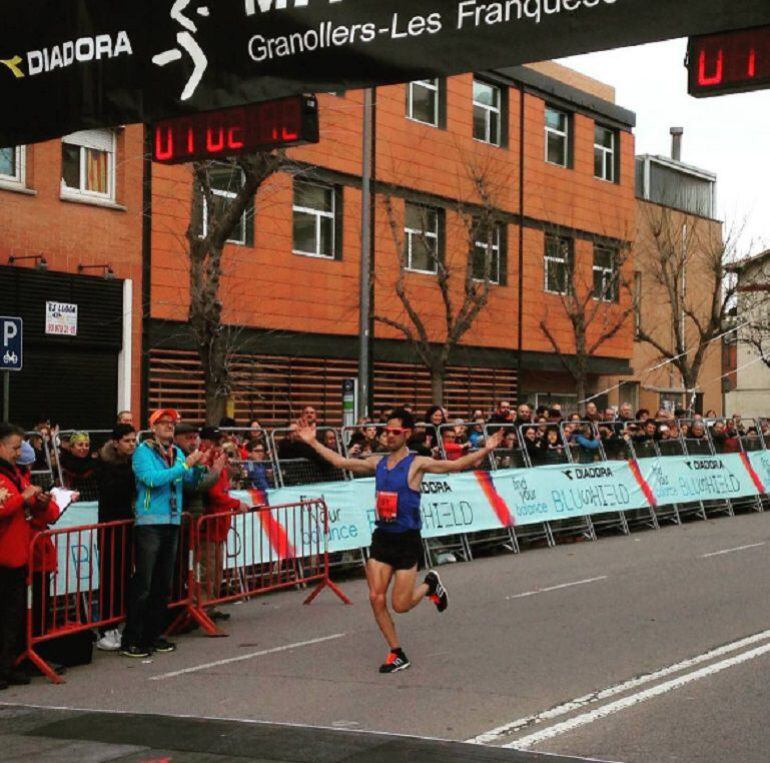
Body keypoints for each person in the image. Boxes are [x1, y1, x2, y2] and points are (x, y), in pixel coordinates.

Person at [298, 408, 503, 674]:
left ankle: (430, 585)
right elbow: (340, 463)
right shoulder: (377, 463)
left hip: (406, 541)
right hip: (382, 537)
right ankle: (397, 653)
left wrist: (485, 450)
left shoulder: (417, 463)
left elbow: (454, 466)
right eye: (387, 431)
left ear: (406, 434)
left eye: (395, 432)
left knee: (401, 605)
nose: (389, 435)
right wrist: (312, 442)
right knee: (375, 597)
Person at [121, 409, 205, 658]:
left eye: (172, 423)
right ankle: (132, 638)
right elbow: (151, 479)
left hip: (172, 520)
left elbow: (188, 481)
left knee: (163, 584)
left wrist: (199, 468)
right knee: (144, 583)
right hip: (150, 522)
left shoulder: (176, 452)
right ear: (153, 427)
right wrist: (184, 468)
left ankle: (154, 634)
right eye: (164, 423)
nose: (170, 426)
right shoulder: (143, 452)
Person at [0, 423, 55, 689]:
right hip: (4, 556)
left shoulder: (14, 473)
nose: (18, 452)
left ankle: (8, 665)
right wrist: (25, 496)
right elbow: (5, 507)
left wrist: (40, 500)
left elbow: (31, 501)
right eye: (14, 447)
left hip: (18, 554)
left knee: (14, 615)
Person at [95, 425, 138, 652]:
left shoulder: (132, 463)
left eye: (134, 440)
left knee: (125, 577)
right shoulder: (105, 464)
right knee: (110, 576)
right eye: (127, 441)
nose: (132, 445)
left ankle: (120, 622)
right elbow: (112, 491)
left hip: (128, 524)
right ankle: (106, 627)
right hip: (110, 526)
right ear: (116, 442)